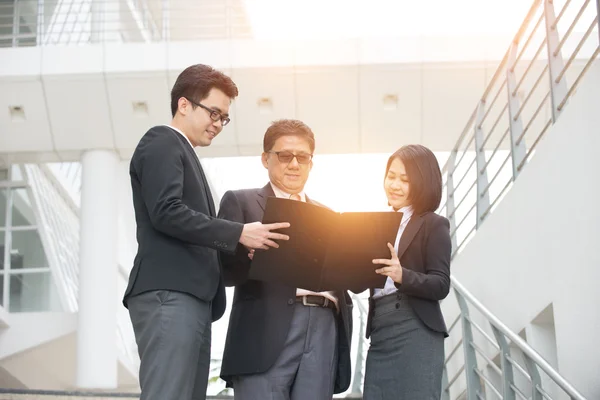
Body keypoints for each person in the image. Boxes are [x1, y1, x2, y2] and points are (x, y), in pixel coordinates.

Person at [122, 64, 290, 400]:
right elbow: (166, 212)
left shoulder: (185, 154)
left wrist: (243, 246)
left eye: (223, 118)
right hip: (170, 295)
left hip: (190, 299)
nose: (218, 124)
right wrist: (238, 232)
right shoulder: (162, 141)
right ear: (184, 105)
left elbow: (191, 230)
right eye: (213, 113)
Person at [218, 119, 353, 400]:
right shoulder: (240, 202)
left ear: (311, 163)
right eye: (285, 155)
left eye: (302, 157)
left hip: (324, 326)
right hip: (265, 331)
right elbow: (223, 270)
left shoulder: (328, 215)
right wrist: (246, 250)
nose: (294, 164)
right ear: (265, 159)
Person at [363, 144, 451, 400]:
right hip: (380, 330)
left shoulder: (433, 224)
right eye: (391, 176)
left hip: (415, 328)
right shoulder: (376, 224)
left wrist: (403, 276)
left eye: (405, 180)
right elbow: (366, 280)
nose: (395, 185)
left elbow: (441, 284)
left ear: (423, 183)